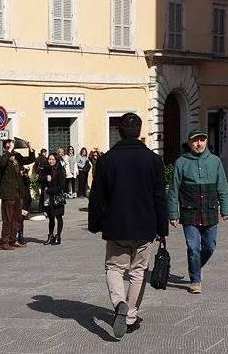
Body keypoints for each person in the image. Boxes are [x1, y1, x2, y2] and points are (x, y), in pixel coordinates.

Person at [88, 113, 168, 339]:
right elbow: (159, 197)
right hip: (145, 226)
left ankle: (119, 302)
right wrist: (162, 228)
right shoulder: (153, 160)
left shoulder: (106, 160)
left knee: (114, 268)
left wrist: (95, 223)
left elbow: (97, 197)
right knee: (138, 271)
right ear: (140, 131)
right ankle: (131, 315)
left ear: (119, 131)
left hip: (116, 226)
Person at [167, 128, 228, 294]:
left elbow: (223, 187)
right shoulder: (181, 162)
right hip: (189, 211)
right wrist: (173, 214)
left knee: (210, 246)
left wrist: (225, 208)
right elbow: (173, 190)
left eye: (202, 140)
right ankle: (195, 280)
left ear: (206, 141)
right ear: (189, 143)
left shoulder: (215, 161)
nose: (199, 143)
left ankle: (195, 265)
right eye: (195, 140)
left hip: (210, 210)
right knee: (193, 247)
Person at [0, 139, 35, 250]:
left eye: (12, 146)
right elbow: (2, 164)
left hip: (18, 192)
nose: (11, 148)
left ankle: (13, 239)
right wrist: (8, 152)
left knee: (17, 218)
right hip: (8, 193)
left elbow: (30, 159)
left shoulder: (17, 158)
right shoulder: (1, 158)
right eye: (8, 146)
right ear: (4, 148)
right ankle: (4, 241)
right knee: (7, 218)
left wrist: (30, 148)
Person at [41, 153, 66, 245]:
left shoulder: (60, 171)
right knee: (51, 218)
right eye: (49, 159)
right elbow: (39, 179)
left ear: (56, 160)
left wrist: (49, 190)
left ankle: (58, 236)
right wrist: (45, 178)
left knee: (59, 217)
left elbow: (62, 186)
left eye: (52, 159)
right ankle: (50, 235)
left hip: (57, 198)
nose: (50, 161)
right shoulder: (45, 169)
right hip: (48, 199)